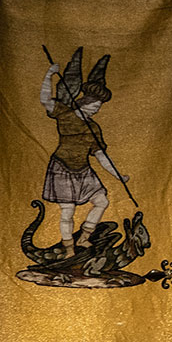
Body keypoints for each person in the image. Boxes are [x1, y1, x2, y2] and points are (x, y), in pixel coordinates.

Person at [37, 52, 120, 258]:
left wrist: (117, 175)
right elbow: (45, 99)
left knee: (102, 201)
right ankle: (69, 249)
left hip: (83, 171)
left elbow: (100, 155)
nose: (96, 111)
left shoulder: (93, 128)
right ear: (85, 102)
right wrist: (49, 74)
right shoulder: (65, 114)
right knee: (67, 211)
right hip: (62, 168)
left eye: (98, 108)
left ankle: (84, 237)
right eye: (95, 107)